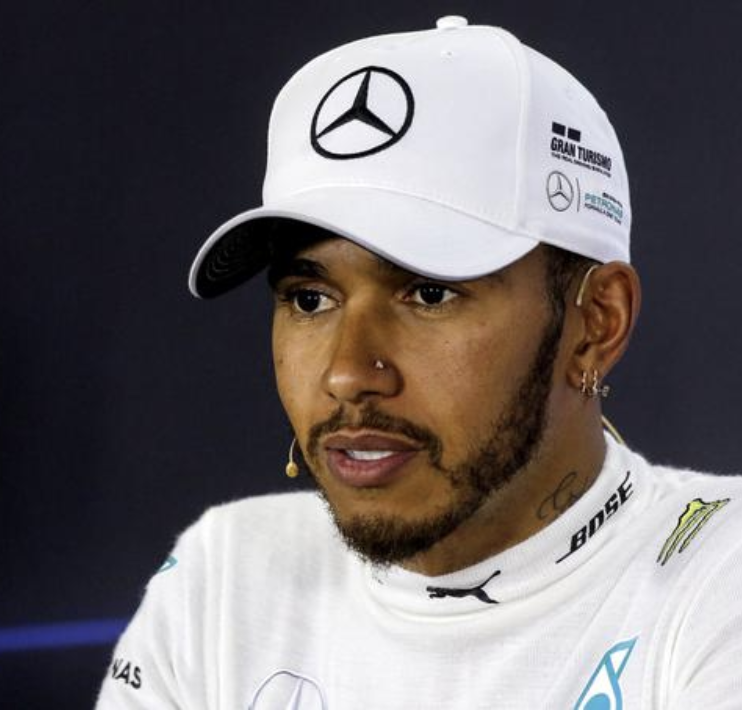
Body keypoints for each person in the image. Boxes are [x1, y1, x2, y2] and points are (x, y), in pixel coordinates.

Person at [97, 17, 742, 710]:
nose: (348, 373)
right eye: (311, 299)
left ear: (596, 322)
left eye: (430, 293)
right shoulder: (224, 577)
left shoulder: (718, 577)